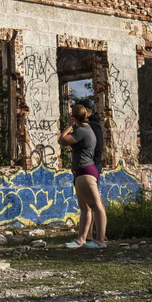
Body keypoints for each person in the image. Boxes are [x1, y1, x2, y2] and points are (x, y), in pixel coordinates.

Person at [59, 103, 107, 248]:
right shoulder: (84, 130)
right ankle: (81, 239)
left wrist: (70, 126)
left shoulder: (83, 131)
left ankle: (100, 241)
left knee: (96, 206)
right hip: (82, 172)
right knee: (85, 208)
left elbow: (61, 140)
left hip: (86, 172)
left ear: (74, 117)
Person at [75, 98, 104, 244]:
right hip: (91, 166)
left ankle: (97, 237)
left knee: (95, 204)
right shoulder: (92, 126)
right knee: (89, 204)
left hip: (91, 167)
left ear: (85, 110)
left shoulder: (91, 127)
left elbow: (63, 140)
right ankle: (89, 236)